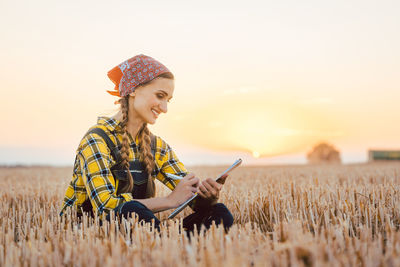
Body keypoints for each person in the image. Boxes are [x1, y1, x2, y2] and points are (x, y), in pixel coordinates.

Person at [59, 54, 233, 234]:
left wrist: (206, 197)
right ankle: (169, 245)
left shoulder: (157, 146)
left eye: (168, 100)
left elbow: (188, 196)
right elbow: (106, 208)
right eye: (160, 96)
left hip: (137, 230)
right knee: (131, 210)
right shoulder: (97, 139)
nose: (165, 108)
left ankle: (173, 248)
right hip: (95, 232)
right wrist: (170, 200)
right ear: (133, 89)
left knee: (219, 213)